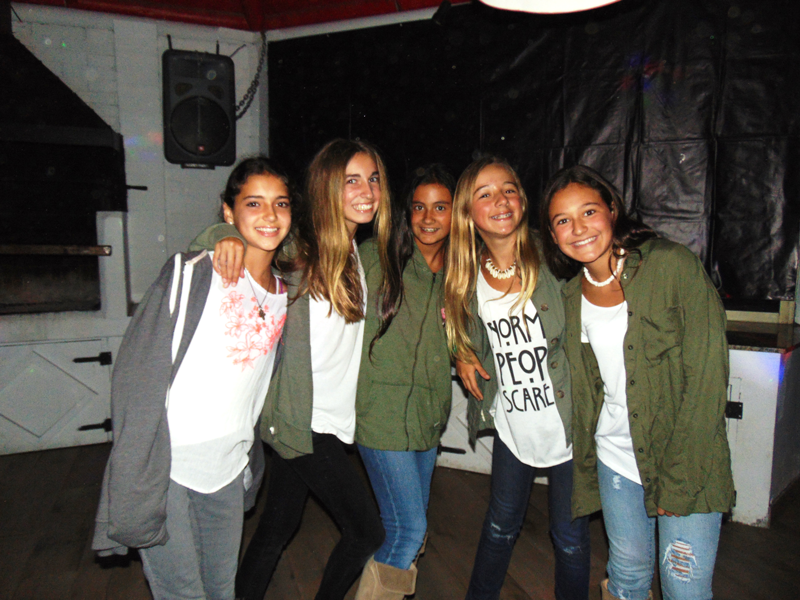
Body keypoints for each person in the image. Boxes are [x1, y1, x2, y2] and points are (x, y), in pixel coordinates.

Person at [194, 139, 389, 600]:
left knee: (277, 527)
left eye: (373, 179)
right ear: (326, 186)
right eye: (351, 180)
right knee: (366, 532)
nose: (366, 191)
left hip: (329, 419)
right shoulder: (297, 246)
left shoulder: (358, 252)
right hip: (302, 420)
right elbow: (242, 240)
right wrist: (219, 235)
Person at [92, 156, 293, 600]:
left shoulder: (286, 294)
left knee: (221, 589)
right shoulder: (192, 272)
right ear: (228, 212)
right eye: (254, 203)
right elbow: (134, 375)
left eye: (281, 203)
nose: (270, 215)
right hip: (167, 466)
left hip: (228, 468)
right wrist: (131, 464)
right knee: (182, 592)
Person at [540, 165, 735, 600]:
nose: (579, 228)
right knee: (626, 580)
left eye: (589, 212)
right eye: (563, 220)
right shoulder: (571, 297)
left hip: (684, 458)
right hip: (616, 460)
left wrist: (680, 478)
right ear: (553, 235)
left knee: (683, 589)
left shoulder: (671, 266)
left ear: (612, 209)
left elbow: (707, 378)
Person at [444, 156, 591, 600]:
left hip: (568, 423)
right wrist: (462, 352)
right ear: (468, 212)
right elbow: (459, 323)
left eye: (508, 189)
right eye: (485, 194)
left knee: (569, 538)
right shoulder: (466, 272)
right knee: (499, 526)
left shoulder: (557, 256)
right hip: (514, 424)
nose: (501, 200)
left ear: (523, 200)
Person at [353, 164, 456, 599]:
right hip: (381, 417)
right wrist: (223, 236)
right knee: (408, 528)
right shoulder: (376, 257)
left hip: (428, 419)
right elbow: (303, 253)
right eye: (419, 207)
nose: (428, 218)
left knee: (409, 529)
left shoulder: (461, 273)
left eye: (440, 207)